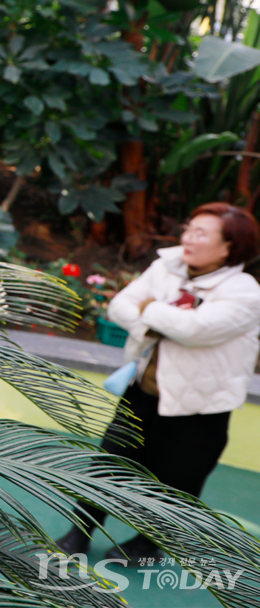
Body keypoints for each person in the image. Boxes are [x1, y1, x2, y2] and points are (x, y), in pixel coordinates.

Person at [54, 202, 260, 561]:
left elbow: (196, 330)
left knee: (177, 480)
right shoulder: (167, 265)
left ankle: (148, 544)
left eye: (201, 233)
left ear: (229, 246)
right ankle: (80, 531)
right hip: (143, 391)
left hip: (198, 406)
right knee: (108, 463)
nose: (188, 238)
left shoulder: (244, 292)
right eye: (188, 228)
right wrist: (160, 316)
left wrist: (148, 308)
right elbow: (118, 307)